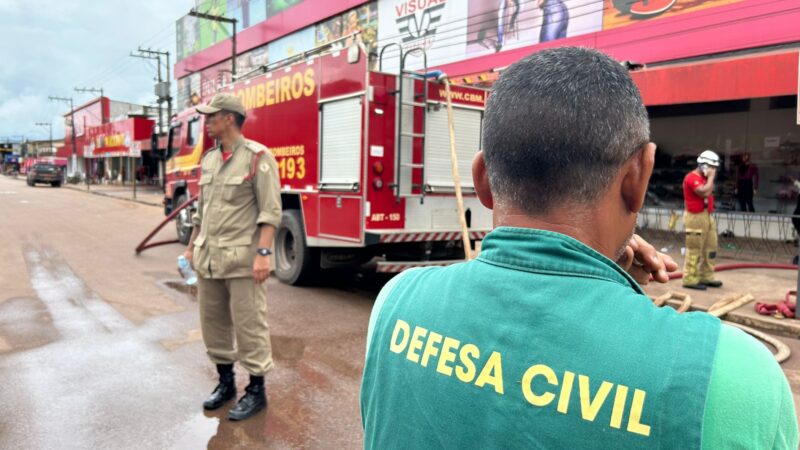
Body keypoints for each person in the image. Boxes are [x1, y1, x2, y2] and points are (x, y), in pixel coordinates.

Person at [360, 47, 797, 449]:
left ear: (483, 181)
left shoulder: (394, 306)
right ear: (638, 178)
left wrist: (605, 274)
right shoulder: (738, 378)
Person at [183, 93, 282, 421]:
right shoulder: (209, 159)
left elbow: (270, 212)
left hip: (242, 260)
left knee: (249, 324)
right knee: (213, 323)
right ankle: (226, 383)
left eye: (212, 116)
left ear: (229, 118)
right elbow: (202, 209)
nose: (207, 121)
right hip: (209, 257)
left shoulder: (258, 158)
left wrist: (264, 254)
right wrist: (192, 244)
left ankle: (256, 389)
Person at [682, 151, 722, 290]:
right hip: (695, 217)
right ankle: (690, 278)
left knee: (710, 247)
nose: (713, 171)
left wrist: (709, 178)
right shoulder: (691, 177)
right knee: (694, 248)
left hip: (706, 215)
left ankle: (706, 275)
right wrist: (711, 177)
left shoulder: (705, 178)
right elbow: (704, 192)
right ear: (703, 165)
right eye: (711, 167)